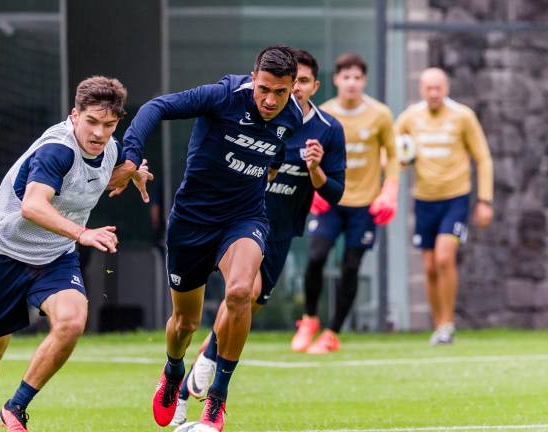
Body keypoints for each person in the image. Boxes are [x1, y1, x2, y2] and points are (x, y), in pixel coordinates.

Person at [111, 45, 303, 432]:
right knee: (184, 322)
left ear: (293, 87)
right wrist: (130, 156)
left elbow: (276, 156)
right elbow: (155, 107)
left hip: (245, 219)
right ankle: (173, 369)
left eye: (280, 92)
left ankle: (217, 398)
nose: (269, 100)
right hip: (192, 223)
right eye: (263, 88)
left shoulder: (293, 118)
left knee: (240, 293)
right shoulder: (222, 96)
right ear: (253, 78)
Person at [169, 49, 346, 426]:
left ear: (315, 85)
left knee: (248, 304)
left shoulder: (327, 130)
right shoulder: (260, 109)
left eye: (301, 82)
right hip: (247, 223)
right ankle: (207, 388)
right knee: (241, 293)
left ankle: (205, 360)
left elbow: (334, 193)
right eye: (289, 82)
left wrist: (314, 170)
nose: (291, 90)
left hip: (282, 232)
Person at [0, 76, 152, 432]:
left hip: (55, 256)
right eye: (92, 122)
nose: (99, 133)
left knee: (71, 322)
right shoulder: (57, 150)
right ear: (74, 115)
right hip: (10, 255)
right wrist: (82, 233)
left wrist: (129, 174)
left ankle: (16, 407)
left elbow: (93, 181)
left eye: (109, 125)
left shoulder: (109, 148)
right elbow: (33, 207)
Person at [291, 53, 400, 354]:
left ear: (364, 81)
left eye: (357, 77)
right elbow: (305, 156)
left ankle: (332, 333)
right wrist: (313, 191)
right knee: (315, 257)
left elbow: (393, 156)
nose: (351, 83)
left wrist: (389, 191)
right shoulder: (323, 114)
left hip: (364, 205)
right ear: (336, 80)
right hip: (330, 201)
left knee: (350, 267)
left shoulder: (380, 114)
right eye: (346, 77)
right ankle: (309, 319)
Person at [395, 67, 493, 346]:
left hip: (456, 198)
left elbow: (483, 158)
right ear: (421, 89)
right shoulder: (411, 117)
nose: (434, 93)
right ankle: (438, 325)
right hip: (424, 199)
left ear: (446, 88)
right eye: (428, 88)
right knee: (428, 266)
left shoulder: (463, 116)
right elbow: (390, 148)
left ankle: (448, 323)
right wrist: (398, 161)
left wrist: (485, 200)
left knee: (444, 258)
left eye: (438, 87)